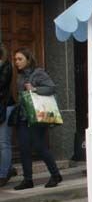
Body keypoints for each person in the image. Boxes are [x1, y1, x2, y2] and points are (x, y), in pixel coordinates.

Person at [12, 48, 63, 190]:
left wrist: (35, 89)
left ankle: (55, 174)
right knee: (24, 148)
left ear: (28, 60)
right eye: (15, 59)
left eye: (20, 59)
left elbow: (52, 88)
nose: (17, 62)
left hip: (38, 116)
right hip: (24, 116)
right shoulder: (20, 75)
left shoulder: (38, 73)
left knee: (39, 146)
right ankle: (28, 180)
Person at [0, 43, 18, 187]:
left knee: (4, 142)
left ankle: (4, 173)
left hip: (5, 107)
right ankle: (8, 168)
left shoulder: (6, 66)